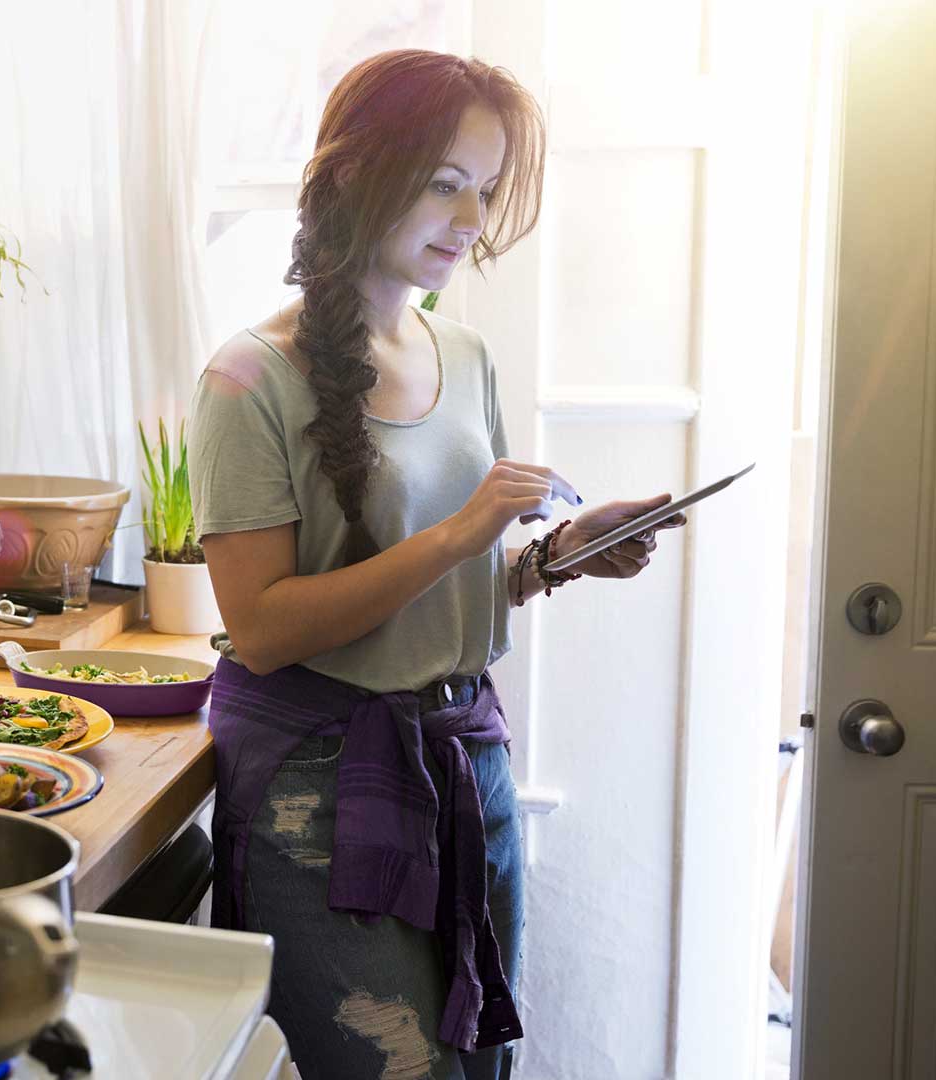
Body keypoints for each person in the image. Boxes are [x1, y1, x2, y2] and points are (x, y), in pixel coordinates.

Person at [187, 49, 686, 1078]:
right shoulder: (247, 378)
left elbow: (458, 586)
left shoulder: (468, 356)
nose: (472, 219)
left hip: (465, 755)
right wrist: (458, 535)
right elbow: (267, 627)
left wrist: (557, 557)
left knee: (478, 1063)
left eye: (488, 189)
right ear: (356, 172)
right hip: (317, 790)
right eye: (446, 181)